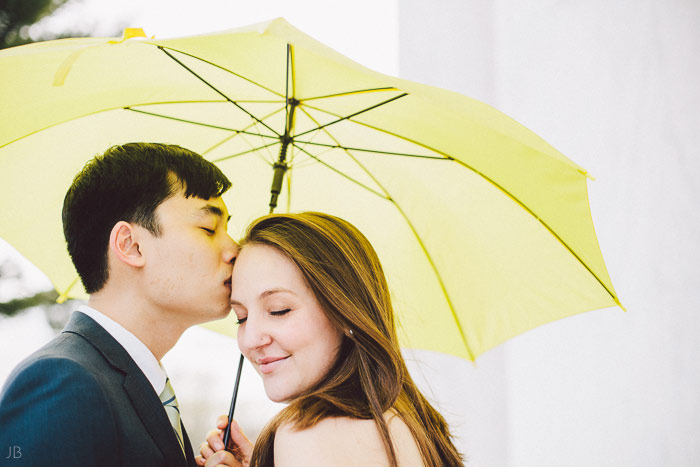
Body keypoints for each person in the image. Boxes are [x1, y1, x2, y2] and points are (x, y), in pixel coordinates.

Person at [0, 143, 238, 466]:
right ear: (131, 245)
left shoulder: (143, 386)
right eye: (209, 229)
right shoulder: (62, 383)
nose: (234, 249)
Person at [197, 212, 464, 467]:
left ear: (346, 312)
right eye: (241, 317)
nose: (251, 339)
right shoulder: (408, 424)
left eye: (279, 310)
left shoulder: (311, 431)